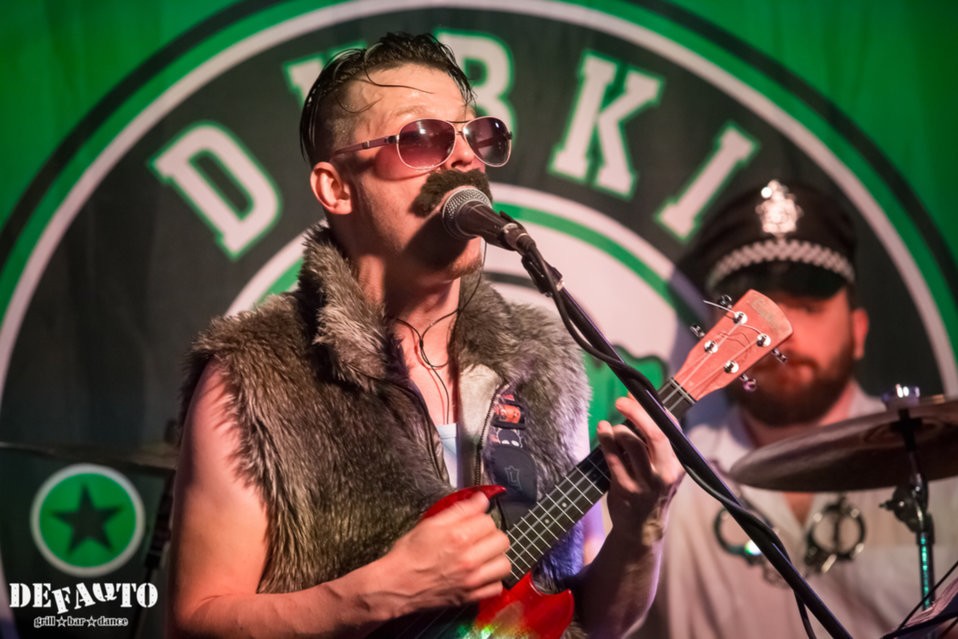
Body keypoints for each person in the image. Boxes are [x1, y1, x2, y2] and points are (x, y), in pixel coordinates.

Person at [166, 32, 683, 638]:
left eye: (476, 136)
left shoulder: (544, 362)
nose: (465, 158)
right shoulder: (256, 374)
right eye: (421, 138)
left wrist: (642, 528)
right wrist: (367, 597)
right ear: (337, 188)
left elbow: (593, 620)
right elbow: (195, 622)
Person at [643, 179, 958, 638]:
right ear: (713, 333)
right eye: (751, 315)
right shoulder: (663, 480)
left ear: (859, 331)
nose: (782, 334)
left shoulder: (946, 470)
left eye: (809, 306)